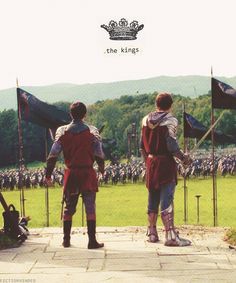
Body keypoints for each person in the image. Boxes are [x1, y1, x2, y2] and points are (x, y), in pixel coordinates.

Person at [45, 101, 105, 249]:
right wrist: (102, 169)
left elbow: (53, 155)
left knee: (69, 207)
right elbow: (99, 154)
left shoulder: (62, 132)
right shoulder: (92, 132)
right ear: (85, 114)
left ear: (70, 114)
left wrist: (48, 175)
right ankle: (92, 241)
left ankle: (66, 240)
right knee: (90, 207)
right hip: (87, 172)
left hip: (71, 173)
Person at [141, 92, 192, 246]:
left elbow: (142, 146)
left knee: (153, 197)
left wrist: (147, 163)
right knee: (166, 197)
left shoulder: (145, 120)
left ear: (157, 104)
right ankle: (170, 235)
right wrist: (183, 158)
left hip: (151, 162)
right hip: (165, 163)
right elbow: (171, 145)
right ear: (170, 105)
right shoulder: (171, 120)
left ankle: (152, 232)